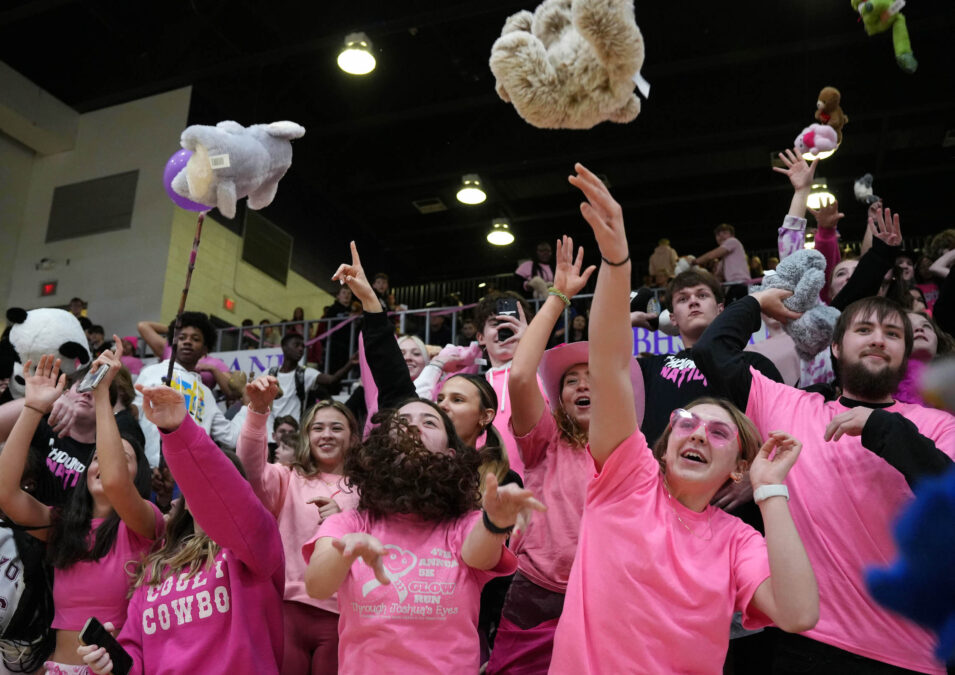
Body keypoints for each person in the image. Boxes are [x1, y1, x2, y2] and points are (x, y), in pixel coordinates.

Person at [551, 162, 818, 674]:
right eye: (685, 423)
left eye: (719, 431)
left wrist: (769, 490)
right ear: (664, 438)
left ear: (740, 462)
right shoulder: (627, 482)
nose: (697, 431)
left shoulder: (740, 539)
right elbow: (607, 365)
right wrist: (616, 260)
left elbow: (801, 613)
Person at [693, 290, 955, 673]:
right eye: (864, 329)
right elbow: (711, 350)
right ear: (834, 346)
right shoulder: (787, 405)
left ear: (905, 355)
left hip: (908, 653)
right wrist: (758, 301)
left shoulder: (938, 426)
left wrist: (883, 428)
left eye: (893, 334)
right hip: (805, 642)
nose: (878, 339)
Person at [302, 395, 542, 672]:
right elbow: (317, 586)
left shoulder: (464, 524)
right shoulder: (350, 523)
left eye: (429, 422)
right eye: (402, 422)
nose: (414, 427)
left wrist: (496, 522)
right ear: (381, 447)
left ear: (450, 453)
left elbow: (480, 557)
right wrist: (344, 552)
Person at [79, 383, 285, 675]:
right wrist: (111, 663)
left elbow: (235, 504)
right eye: (192, 483)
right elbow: (135, 652)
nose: (203, 488)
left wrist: (180, 431)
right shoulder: (155, 567)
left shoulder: (256, 548)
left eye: (209, 480)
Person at [486, 235, 608, 675]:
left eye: (591, 377)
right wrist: (557, 298)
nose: (581, 385)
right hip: (537, 590)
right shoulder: (547, 440)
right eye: (571, 381)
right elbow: (520, 374)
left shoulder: (633, 451)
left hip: (607, 593)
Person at [0, 352, 160, 673]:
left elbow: (115, 482)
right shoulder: (63, 526)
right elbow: (5, 493)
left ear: (137, 475)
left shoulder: (146, 524)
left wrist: (102, 395)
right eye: (96, 458)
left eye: (120, 458)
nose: (103, 464)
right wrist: (33, 409)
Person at [237, 377, 360, 675]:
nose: (326, 435)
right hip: (286, 609)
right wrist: (257, 411)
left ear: (353, 438)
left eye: (336, 428)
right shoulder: (289, 477)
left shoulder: (366, 488)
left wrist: (342, 519)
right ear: (306, 436)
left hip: (344, 615)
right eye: (317, 428)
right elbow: (249, 469)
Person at [133, 312, 241, 467]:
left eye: (195, 339)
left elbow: (231, 437)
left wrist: (251, 408)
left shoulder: (206, 393)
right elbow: (134, 413)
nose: (187, 342)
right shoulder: (152, 371)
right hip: (150, 468)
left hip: (191, 475)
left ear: (205, 349)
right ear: (173, 342)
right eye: (182, 337)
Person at [692, 223, 750, 303]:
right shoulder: (724, 260)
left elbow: (711, 255)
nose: (721, 236)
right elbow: (717, 276)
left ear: (732, 235)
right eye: (718, 234)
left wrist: (694, 262)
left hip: (740, 284)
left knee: (735, 312)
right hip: (733, 286)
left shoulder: (733, 241)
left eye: (724, 233)